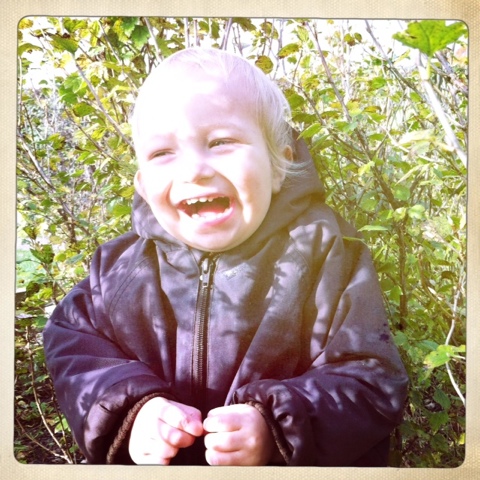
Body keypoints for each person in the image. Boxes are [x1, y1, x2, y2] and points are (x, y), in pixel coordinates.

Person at [43, 47, 408, 466]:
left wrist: (276, 428)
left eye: (221, 142)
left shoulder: (325, 254)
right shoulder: (117, 268)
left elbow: (370, 379)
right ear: (142, 183)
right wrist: (131, 411)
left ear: (279, 164)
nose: (194, 170)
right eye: (163, 153)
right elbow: (73, 347)